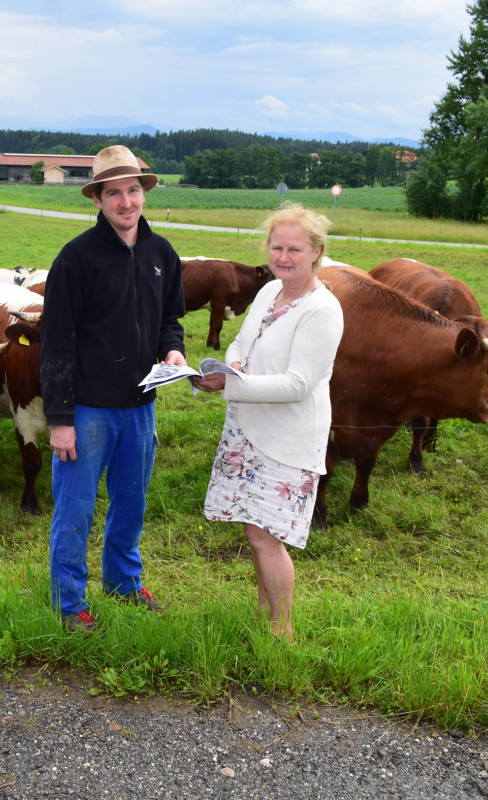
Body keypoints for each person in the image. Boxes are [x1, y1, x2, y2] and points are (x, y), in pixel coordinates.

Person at [40, 145, 187, 633]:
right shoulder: (76, 259)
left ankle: (123, 581)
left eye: (133, 190)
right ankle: (69, 603)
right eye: (114, 193)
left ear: (143, 192)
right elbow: (56, 343)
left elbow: (170, 319)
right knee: (76, 509)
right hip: (88, 411)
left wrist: (173, 352)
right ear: (98, 200)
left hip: (140, 407)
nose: (126, 202)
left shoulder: (162, 253)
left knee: (131, 502)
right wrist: (60, 421)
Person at [193, 204, 344, 642]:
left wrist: (230, 385)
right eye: (277, 247)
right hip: (248, 428)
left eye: (295, 249)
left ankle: (283, 628)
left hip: (287, 436)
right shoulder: (269, 292)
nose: (284, 256)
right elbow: (241, 341)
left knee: (266, 535)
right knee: (252, 527)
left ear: (316, 251)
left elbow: (298, 384)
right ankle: (264, 607)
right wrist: (231, 364)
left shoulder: (322, 309)